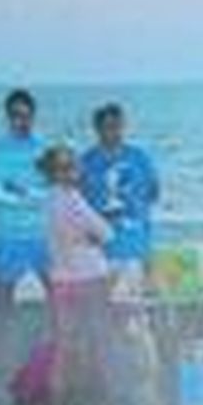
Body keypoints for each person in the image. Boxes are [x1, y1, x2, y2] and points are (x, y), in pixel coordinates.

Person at [0, 89, 50, 387]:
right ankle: (1, 362)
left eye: (25, 115)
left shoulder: (44, 150)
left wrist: (21, 192)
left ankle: (59, 356)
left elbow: (52, 194)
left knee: (59, 298)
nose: (20, 121)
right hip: (8, 236)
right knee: (2, 306)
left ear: (33, 116)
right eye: (15, 115)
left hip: (41, 236)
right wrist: (27, 195)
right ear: (7, 117)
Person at [43, 145, 113, 405]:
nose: (73, 171)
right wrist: (92, 236)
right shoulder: (73, 200)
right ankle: (99, 394)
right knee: (97, 337)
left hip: (61, 278)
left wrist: (90, 236)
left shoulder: (50, 200)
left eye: (72, 165)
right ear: (56, 172)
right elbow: (106, 234)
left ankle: (58, 398)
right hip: (88, 276)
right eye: (67, 167)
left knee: (65, 342)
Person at [80, 103, 160, 292]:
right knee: (103, 297)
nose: (113, 132)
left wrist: (134, 210)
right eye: (107, 127)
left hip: (137, 240)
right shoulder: (86, 161)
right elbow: (79, 202)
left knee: (142, 296)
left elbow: (154, 191)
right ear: (97, 129)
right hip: (102, 244)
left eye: (117, 126)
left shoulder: (139, 157)